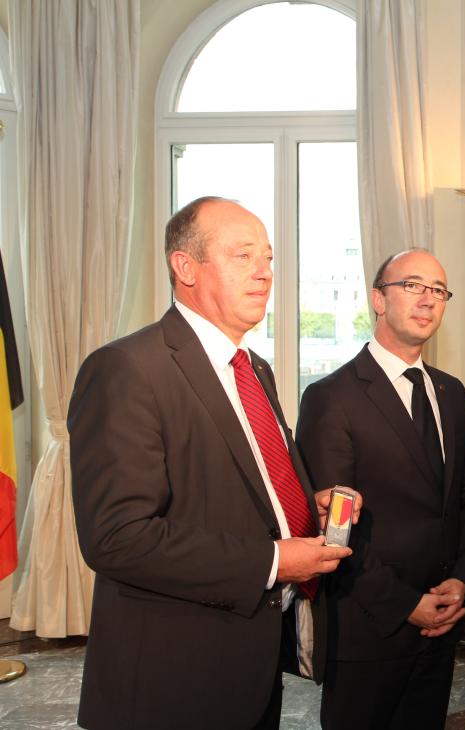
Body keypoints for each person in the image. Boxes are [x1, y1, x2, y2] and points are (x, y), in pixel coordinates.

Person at [69, 196, 356, 729]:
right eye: (243, 256)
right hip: (171, 678)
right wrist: (271, 560)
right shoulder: (127, 369)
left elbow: (251, 485)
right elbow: (117, 537)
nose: (265, 273)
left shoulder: (255, 368)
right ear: (186, 267)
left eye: (268, 258)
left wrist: (306, 511)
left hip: (252, 665)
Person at [296, 248, 465, 730]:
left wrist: (463, 581)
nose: (427, 300)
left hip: (442, 619)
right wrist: (408, 606)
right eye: (412, 286)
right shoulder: (330, 398)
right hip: (370, 627)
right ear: (378, 300)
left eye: (438, 290)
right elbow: (334, 533)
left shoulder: (451, 392)